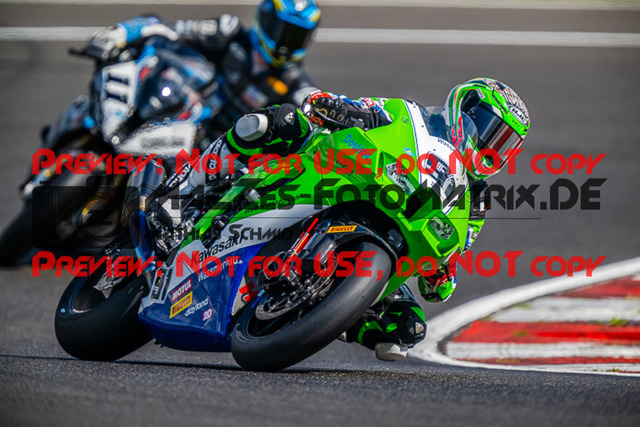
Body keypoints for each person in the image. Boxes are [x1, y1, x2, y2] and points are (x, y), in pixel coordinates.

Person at [160, 77, 531, 361]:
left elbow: (454, 254)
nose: (492, 147)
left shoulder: (476, 200)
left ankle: (318, 310)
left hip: (396, 235)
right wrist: (337, 109)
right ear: (465, 110)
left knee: (408, 327)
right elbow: (356, 108)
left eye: (505, 144)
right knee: (279, 121)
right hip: (342, 178)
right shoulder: (412, 114)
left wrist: (441, 272)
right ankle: (181, 191)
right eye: (491, 130)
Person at [83, 0, 321, 136]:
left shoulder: (295, 84)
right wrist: (120, 34)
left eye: (298, 37)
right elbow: (164, 27)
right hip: (176, 113)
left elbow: (315, 110)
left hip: (219, 152)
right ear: (266, 20)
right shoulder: (228, 32)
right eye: (284, 32)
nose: (287, 43)